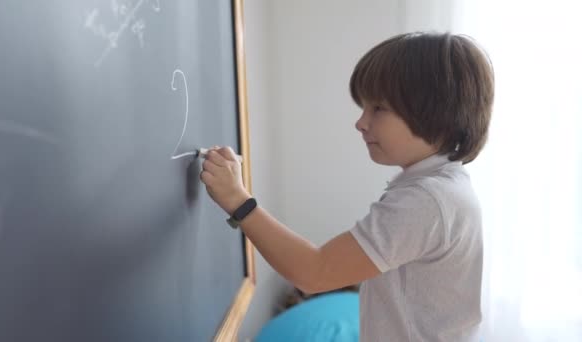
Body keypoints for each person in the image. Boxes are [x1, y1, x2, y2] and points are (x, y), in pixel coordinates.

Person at [200, 31, 494, 342]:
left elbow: (314, 272)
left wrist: (238, 200)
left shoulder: (427, 201)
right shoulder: (444, 188)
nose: (361, 122)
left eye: (378, 108)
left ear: (436, 114)